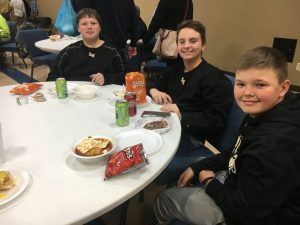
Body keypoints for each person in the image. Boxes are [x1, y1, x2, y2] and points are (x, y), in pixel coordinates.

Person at [150, 46, 300, 225]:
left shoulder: (274, 143)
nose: (248, 93)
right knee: (193, 168)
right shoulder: (262, 113)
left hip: (247, 216)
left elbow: (244, 209)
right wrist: (198, 167)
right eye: (241, 84)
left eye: (260, 84)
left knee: (163, 200)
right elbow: (236, 152)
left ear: (283, 88)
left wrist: (209, 182)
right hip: (240, 183)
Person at [146, 20, 233, 184]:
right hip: (169, 128)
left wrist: (180, 114)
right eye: (182, 41)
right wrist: (154, 90)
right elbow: (151, 82)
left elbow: (216, 120)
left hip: (191, 138)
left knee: (145, 160)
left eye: (193, 41)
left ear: (204, 45)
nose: (187, 46)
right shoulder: (176, 70)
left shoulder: (214, 79)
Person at [47, 8, 124, 85]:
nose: (89, 27)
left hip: (104, 95)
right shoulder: (69, 51)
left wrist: (106, 78)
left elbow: (125, 76)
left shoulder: (113, 51)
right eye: (84, 24)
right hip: (73, 94)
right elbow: (52, 77)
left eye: (93, 23)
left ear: (100, 27)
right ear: (78, 28)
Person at [73, 0, 139, 70]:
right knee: (119, 76)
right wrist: (133, 43)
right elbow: (134, 19)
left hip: (98, 47)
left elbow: (82, 11)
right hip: (120, 45)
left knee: (95, 78)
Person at [141, 0, 193, 66]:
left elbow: (156, 21)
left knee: (170, 68)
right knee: (180, 68)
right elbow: (189, 22)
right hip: (184, 41)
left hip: (169, 42)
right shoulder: (188, 1)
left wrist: (144, 39)